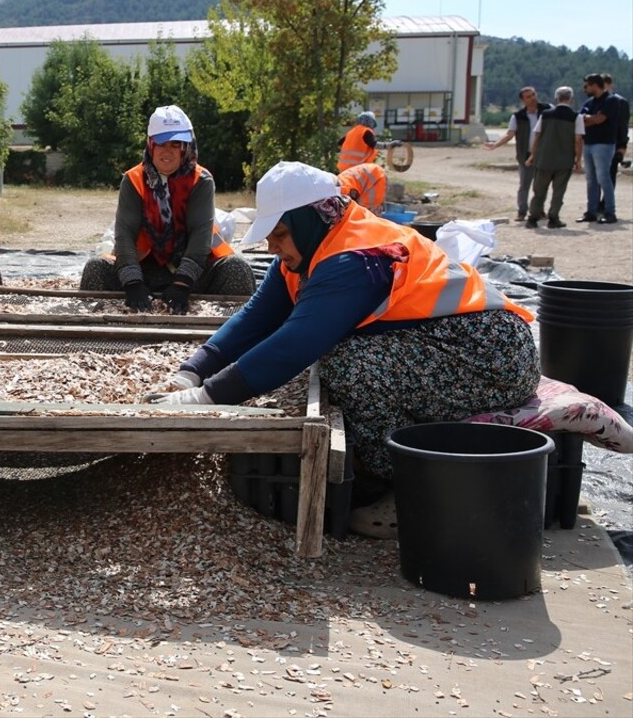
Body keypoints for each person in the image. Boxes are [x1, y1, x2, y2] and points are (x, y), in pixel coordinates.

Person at [150, 161, 539, 538]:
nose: (272, 246)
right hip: (442, 346)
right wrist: (193, 370)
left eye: (279, 234)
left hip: (488, 357)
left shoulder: (355, 257)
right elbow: (258, 316)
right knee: (339, 353)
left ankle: (404, 485)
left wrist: (205, 397)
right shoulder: (315, 245)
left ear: (307, 220)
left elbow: (294, 345)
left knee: (345, 363)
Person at [78, 105, 255, 313]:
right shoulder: (133, 180)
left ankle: (225, 337)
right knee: (95, 269)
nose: (167, 151)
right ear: (151, 145)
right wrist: (133, 282)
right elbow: (124, 233)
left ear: (185, 148)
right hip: (145, 269)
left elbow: (201, 233)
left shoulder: (201, 180)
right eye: (161, 143)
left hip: (194, 272)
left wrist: (182, 282)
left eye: (175, 144)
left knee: (237, 269)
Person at [484, 86, 551, 221]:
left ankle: (539, 210)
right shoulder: (518, 116)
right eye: (528, 96)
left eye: (533, 95)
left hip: (544, 154)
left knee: (541, 185)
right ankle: (522, 211)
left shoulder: (548, 110)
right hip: (525, 154)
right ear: (522, 100)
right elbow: (510, 134)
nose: (532, 98)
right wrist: (496, 144)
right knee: (524, 185)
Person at [524, 86, 584, 229]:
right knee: (559, 191)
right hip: (564, 160)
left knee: (539, 191)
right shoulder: (577, 117)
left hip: (544, 158)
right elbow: (578, 140)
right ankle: (553, 218)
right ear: (571, 99)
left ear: (556, 98)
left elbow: (537, 136)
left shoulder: (545, 114)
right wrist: (578, 160)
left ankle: (532, 218)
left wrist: (533, 155)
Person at [577, 73, 619, 224]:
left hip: (604, 144)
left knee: (603, 177)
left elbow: (600, 119)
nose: (585, 88)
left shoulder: (611, 100)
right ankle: (591, 212)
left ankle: (609, 212)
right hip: (588, 142)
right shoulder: (589, 102)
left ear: (595, 85)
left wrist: (590, 118)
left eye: (587, 85)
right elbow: (581, 120)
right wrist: (591, 118)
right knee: (591, 179)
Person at [597, 73, 629, 216]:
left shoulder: (620, 101)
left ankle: (605, 204)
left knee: (610, 174)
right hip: (598, 142)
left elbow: (623, 125)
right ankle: (597, 203)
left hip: (614, 143)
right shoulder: (596, 100)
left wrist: (622, 145)